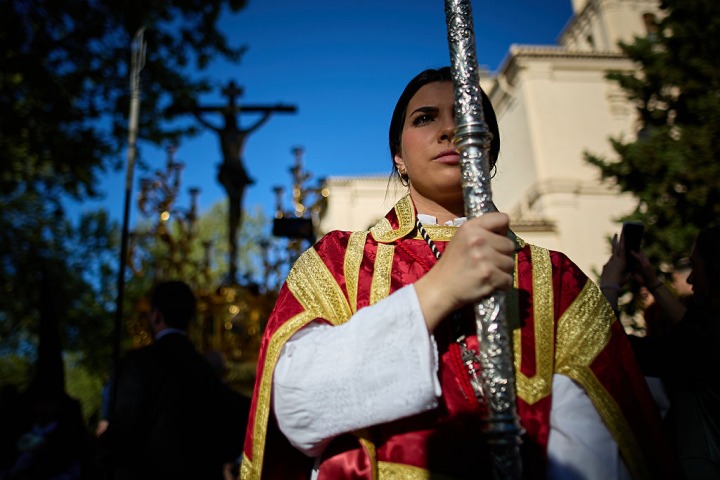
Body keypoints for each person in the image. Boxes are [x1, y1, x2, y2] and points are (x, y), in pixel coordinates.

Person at [241, 68, 674, 479]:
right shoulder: (337, 260)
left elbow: (600, 450)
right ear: (399, 158)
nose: (452, 130)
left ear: (491, 152)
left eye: (468, 117)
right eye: (425, 118)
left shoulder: (557, 279)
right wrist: (436, 292)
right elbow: (295, 406)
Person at [602, 226, 720, 478]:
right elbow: (691, 326)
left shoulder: (699, 343)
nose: (689, 279)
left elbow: (618, 350)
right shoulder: (706, 332)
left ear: (714, 273)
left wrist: (610, 285)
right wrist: (653, 282)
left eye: (694, 266)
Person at [98, 281, 246, 480]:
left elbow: (122, 431)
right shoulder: (206, 371)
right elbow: (239, 421)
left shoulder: (138, 363)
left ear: (156, 315)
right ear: (190, 319)